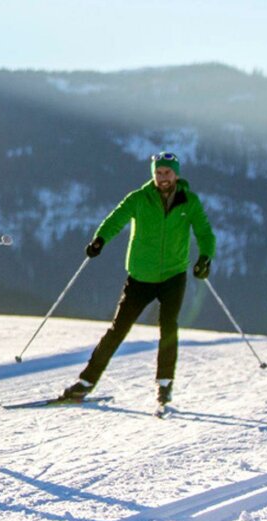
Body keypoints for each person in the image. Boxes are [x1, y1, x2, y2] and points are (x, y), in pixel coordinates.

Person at [62, 152, 216, 409]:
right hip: (140, 276)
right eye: (158, 172)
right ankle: (86, 382)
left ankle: (165, 385)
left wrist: (205, 258)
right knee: (117, 330)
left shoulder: (189, 201)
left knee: (168, 327)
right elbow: (116, 219)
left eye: (167, 172)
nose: (162, 177)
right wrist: (100, 240)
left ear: (176, 174)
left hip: (173, 275)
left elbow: (204, 233)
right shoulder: (139, 198)